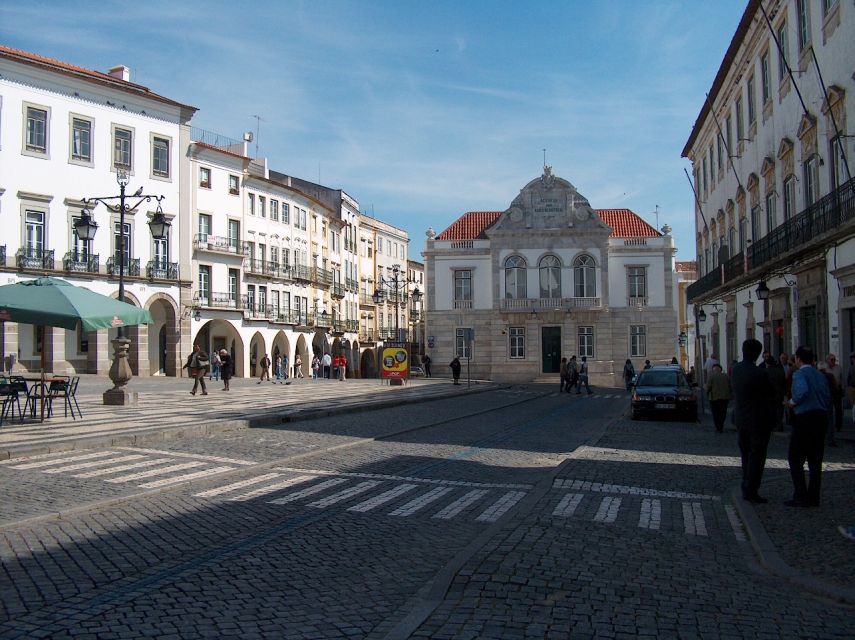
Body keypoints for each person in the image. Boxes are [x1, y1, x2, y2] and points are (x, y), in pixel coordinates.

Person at [786, 346, 831, 508]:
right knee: (815, 459)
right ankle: (813, 497)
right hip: (820, 417)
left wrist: (791, 402)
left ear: (798, 359)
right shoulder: (820, 375)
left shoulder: (799, 374)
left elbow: (801, 391)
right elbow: (827, 396)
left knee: (795, 458)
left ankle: (800, 495)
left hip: (805, 418)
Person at [731, 338, 775, 504]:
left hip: (741, 418)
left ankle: (745, 484)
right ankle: (751, 489)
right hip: (758, 420)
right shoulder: (760, 373)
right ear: (757, 354)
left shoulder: (735, 370)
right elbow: (771, 393)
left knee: (745, 454)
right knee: (757, 455)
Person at [819, 353, 843, 442]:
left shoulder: (838, 368)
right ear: (827, 361)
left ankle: (838, 426)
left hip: (836, 392)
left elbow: (841, 379)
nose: (833, 361)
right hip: (828, 393)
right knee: (828, 414)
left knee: (838, 409)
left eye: (834, 359)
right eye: (831, 359)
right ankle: (829, 433)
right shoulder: (826, 372)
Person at [705, 364, 731, 433]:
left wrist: (706, 394)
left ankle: (718, 427)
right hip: (724, 398)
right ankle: (721, 425)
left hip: (714, 398)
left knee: (716, 413)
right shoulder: (726, 376)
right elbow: (730, 386)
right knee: (723, 413)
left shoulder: (711, 377)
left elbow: (708, 387)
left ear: (714, 369)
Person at [764, 355, 786, 432]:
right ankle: (779, 425)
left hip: (770, 395)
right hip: (780, 394)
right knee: (779, 411)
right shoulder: (780, 371)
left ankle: (773, 425)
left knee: (771, 411)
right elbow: (784, 382)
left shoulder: (766, 372)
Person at [847, 353, 855, 426]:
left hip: (852, 387)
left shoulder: (852, 367)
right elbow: (849, 378)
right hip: (852, 387)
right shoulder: (851, 367)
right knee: (854, 405)